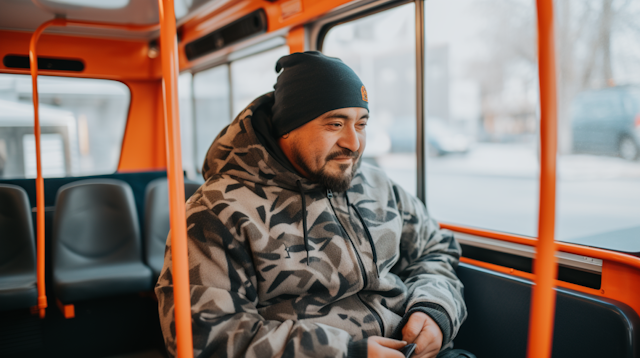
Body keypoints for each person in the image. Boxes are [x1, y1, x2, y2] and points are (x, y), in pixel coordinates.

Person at [156, 51, 471, 358]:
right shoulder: (217, 211)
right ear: (287, 128)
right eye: (335, 124)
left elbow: (435, 250)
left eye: (361, 124)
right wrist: (345, 353)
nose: (354, 143)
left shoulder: (377, 186)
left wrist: (435, 310)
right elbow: (204, 336)